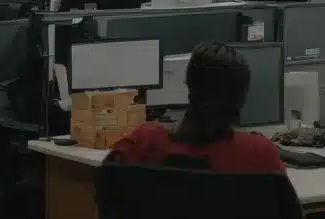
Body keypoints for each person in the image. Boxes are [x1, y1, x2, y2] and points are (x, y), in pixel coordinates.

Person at [108, 42, 286, 174]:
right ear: (241, 97)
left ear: (189, 86)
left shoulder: (142, 142)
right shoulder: (259, 154)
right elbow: (285, 217)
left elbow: (107, 198)